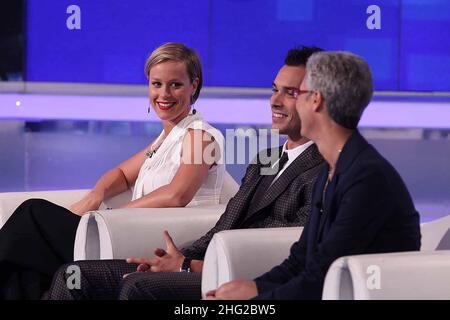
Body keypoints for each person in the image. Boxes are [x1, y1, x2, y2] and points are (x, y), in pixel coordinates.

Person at [47, 46, 325, 300]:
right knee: (75, 277)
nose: (275, 101)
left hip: (244, 277)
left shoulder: (325, 170)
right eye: (274, 89)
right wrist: (176, 258)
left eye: (290, 93)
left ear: (318, 100)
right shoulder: (267, 159)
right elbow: (225, 224)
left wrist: (186, 266)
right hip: (200, 260)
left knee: (136, 287)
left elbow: (290, 249)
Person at [0, 42, 226, 299]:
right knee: (25, 268)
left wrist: (116, 215)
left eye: (175, 84)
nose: (164, 94)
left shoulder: (200, 135)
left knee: (33, 213)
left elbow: (178, 194)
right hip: (126, 230)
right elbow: (120, 174)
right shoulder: (164, 140)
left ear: (193, 85)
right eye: (157, 84)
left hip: (159, 240)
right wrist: (95, 197)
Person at [207, 51, 422, 300]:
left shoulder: (366, 178)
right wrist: (253, 287)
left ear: (316, 100)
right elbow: (301, 260)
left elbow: (320, 280)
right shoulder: (334, 168)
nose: (284, 102)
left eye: (297, 94)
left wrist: (254, 302)